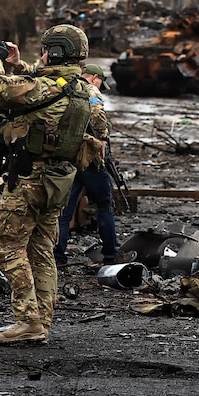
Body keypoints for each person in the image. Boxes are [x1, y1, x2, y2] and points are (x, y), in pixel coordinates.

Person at [0, 24, 93, 345]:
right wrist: (20, 64)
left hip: (30, 181)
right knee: (41, 249)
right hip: (57, 183)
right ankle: (41, 322)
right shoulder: (78, 86)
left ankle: (27, 319)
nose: (41, 56)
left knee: (5, 247)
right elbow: (44, 82)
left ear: (55, 52)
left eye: (45, 50)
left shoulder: (48, 87)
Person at [54, 64, 135, 267]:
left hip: (67, 158)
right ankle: (110, 255)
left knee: (64, 211)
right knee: (105, 205)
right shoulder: (89, 90)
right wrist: (104, 139)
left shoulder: (65, 88)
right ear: (94, 78)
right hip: (90, 159)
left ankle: (58, 257)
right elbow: (98, 113)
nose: (100, 87)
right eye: (100, 82)